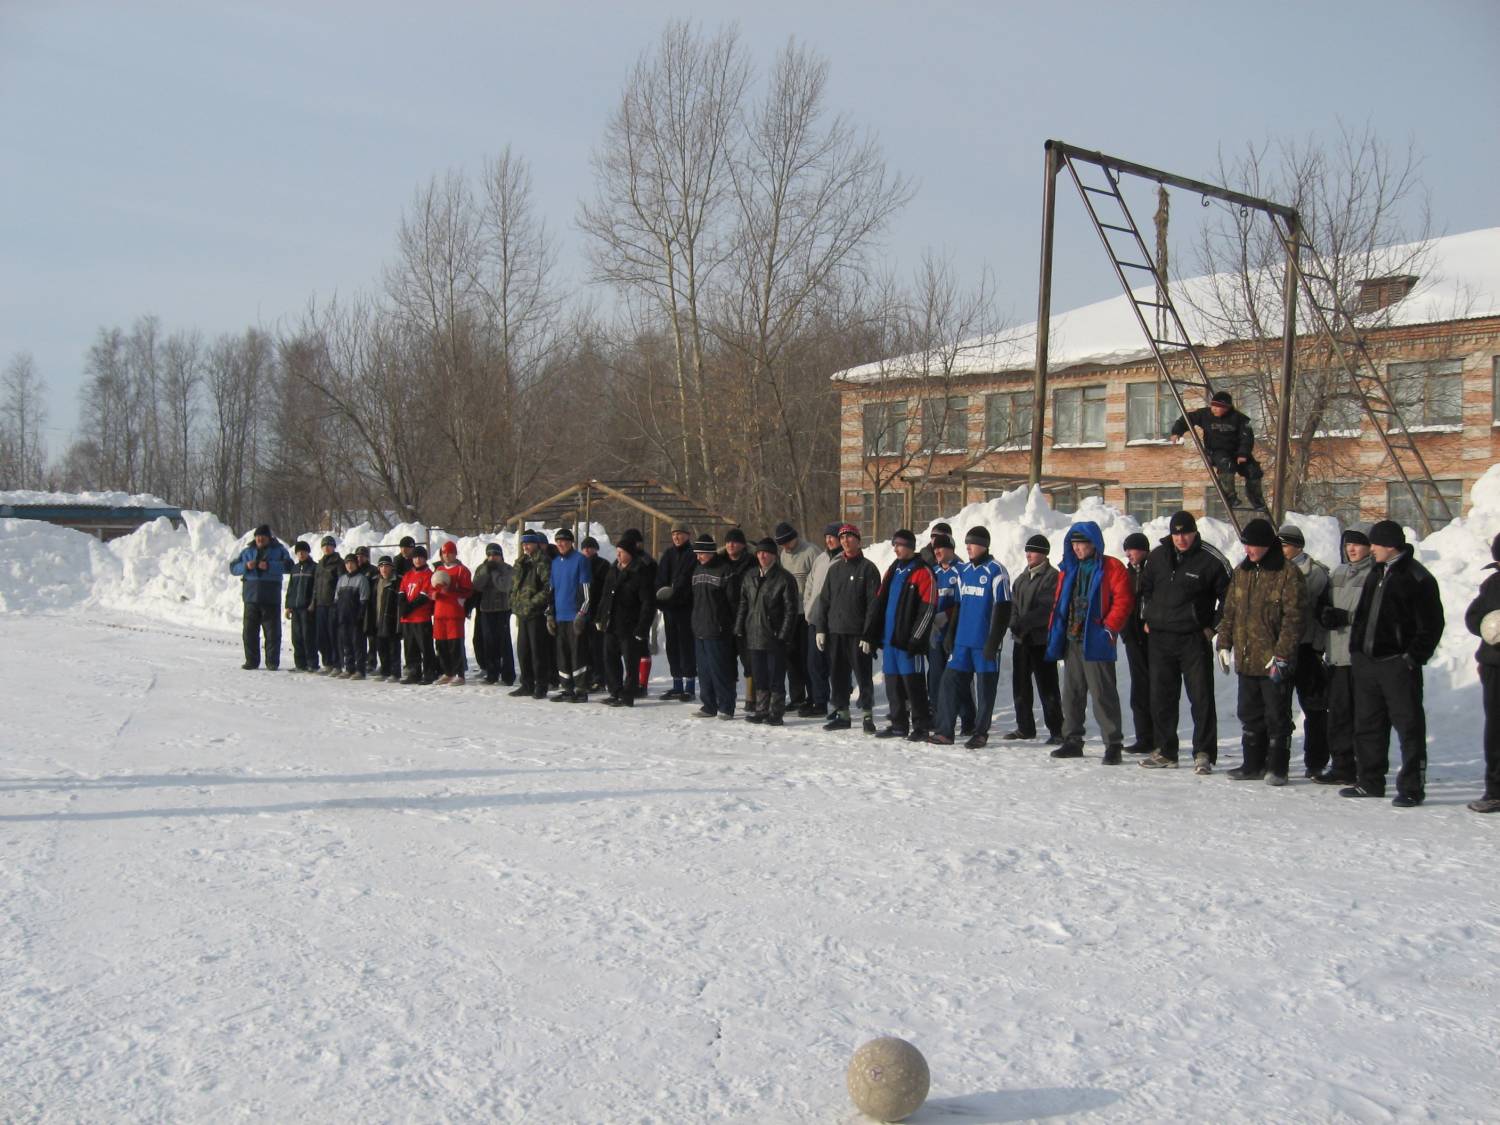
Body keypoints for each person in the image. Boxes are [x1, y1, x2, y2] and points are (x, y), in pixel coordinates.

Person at [1343, 519, 1445, 807]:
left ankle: (1412, 787)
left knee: (1409, 726)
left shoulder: (1418, 577)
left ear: (1390, 545)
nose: (1370, 548)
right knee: (1368, 725)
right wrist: (1356, 650)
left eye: (1375, 543)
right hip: (1367, 662)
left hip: (1397, 665)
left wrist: (1412, 658)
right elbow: (1363, 615)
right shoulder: (1376, 572)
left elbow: (1432, 625)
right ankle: (1370, 781)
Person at [1139, 510, 1231, 775]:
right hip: (1160, 638)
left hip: (1192, 639)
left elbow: (1230, 597)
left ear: (1194, 532)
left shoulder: (1210, 559)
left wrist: (1212, 627)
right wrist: (1146, 616)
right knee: (1161, 698)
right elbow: (1145, 588)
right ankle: (1166, 751)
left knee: (1200, 697)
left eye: (1186, 533)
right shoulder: (1158, 556)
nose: (1181, 538)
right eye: (1177, 533)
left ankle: (1203, 753)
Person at [1216, 518, 1306, 785]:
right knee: (1249, 713)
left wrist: (1282, 654)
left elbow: (1294, 618)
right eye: (1246, 545)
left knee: (1277, 714)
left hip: (1273, 660)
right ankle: (1252, 764)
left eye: (1254, 545)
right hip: (1247, 658)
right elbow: (1229, 612)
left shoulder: (1288, 574)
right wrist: (1224, 643)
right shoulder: (1241, 573)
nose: (1249, 550)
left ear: (1268, 545)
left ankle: (1278, 767)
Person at [1045, 522, 1132, 764]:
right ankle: (1072, 739)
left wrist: (1108, 628)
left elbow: (1123, 600)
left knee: (1103, 693)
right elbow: (1060, 600)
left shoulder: (1111, 567)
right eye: (1073, 544)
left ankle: (1113, 743)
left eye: (1081, 544)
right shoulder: (1069, 568)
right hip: (1072, 638)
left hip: (1096, 639)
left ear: (1093, 544)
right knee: (1072, 693)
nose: (1077, 548)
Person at [929, 525, 1012, 749]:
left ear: (984, 545)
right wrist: (951, 636)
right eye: (966, 543)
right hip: (962, 643)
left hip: (983, 643)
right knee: (949, 683)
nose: (968, 547)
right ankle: (945, 731)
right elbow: (958, 605)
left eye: (972, 543)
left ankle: (980, 732)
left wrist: (993, 642)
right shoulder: (964, 572)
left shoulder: (996, 571)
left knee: (985, 690)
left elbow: (1004, 609)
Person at [1313, 529, 1374, 785]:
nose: (1352, 549)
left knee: (1362, 715)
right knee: (1338, 713)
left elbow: (1374, 614)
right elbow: (1323, 602)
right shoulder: (1337, 573)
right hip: (1336, 656)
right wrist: (1324, 613)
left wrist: (1347, 618)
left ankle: (1366, 766)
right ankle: (1341, 766)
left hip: (1360, 656)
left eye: (1358, 544)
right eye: (1348, 544)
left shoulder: (1375, 574)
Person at [811, 524, 881, 734]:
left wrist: (869, 634)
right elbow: (824, 601)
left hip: (858, 634)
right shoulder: (835, 569)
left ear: (858, 540)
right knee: (837, 675)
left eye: (850, 538)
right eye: (842, 538)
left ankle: (867, 714)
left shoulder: (868, 569)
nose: (845, 541)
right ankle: (842, 714)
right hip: (836, 631)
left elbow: (873, 605)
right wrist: (821, 628)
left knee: (863, 675)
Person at [870, 529, 938, 741]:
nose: (896, 549)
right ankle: (898, 723)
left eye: (900, 545)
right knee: (893, 685)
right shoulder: (894, 569)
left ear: (910, 546)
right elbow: (880, 601)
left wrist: (916, 638)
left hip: (909, 642)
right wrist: (873, 632)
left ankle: (921, 726)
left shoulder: (923, 571)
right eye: (894, 545)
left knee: (913, 685)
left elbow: (928, 608)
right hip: (891, 640)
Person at [1279, 523, 1331, 777]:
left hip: (1307, 648)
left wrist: (1319, 648)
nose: (1280, 549)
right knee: (1278, 707)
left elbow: (1319, 613)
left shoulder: (1316, 573)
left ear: (1298, 547)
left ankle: (1316, 761)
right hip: (1281, 649)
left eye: (1285, 545)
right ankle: (1278, 760)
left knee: (1314, 707)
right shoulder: (1274, 570)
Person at [1004, 533, 1062, 746]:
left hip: (1040, 640)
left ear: (1044, 554)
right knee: (1020, 685)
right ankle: (1025, 726)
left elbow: (1046, 608)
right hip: (1022, 640)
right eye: (1027, 550)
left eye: (1033, 550)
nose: (1028, 554)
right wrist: (1014, 622)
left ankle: (1057, 729)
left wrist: (1024, 622)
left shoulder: (1051, 577)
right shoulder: (1021, 578)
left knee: (1047, 686)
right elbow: (1013, 605)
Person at [1171, 389, 1267, 512]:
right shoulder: (1205, 415)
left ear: (1227, 408)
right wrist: (1176, 432)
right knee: (1227, 465)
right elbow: (1186, 419)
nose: (1214, 409)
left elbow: (1247, 438)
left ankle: (1256, 499)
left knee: (1254, 470)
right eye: (1213, 406)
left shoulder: (1240, 419)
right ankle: (1230, 497)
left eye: (1218, 407)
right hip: (1216, 451)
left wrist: (1243, 454)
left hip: (1237, 453)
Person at [737, 537, 799, 725]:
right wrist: (740, 626)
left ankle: (776, 712)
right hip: (754, 635)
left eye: (766, 552)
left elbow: (791, 610)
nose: (762, 556)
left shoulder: (784, 578)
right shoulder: (750, 576)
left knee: (775, 677)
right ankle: (761, 710)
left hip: (774, 637)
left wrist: (783, 635)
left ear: (774, 555)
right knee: (759, 676)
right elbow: (743, 603)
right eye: (759, 552)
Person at [597, 530, 656, 706]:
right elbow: (605, 596)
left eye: (621, 552)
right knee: (610, 658)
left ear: (629, 554)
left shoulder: (640, 572)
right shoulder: (613, 569)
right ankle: (615, 691)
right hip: (611, 623)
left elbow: (648, 603)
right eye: (617, 552)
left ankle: (628, 694)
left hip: (630, 625)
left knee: (631, 662)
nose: (618, 555)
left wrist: (642, 627)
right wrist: (600, 617)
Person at [1464, 532, 1500, 814]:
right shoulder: (1492, 584)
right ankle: (1495, 790)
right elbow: (1472, 618)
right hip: (1495, 666)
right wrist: (1489, 627)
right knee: (1497, 728)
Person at [689, 533, 740, 719]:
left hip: (718, 630)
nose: (698, 557)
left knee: (721, 670)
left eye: (701, 553)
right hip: (700, 628)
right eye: (697, 553)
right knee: (704, 671)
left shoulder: (725, 570)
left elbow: (733, 602)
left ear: (710, 552)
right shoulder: (696, 570)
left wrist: (729, 625)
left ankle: (726, 706)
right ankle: (708, 705)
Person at [230, 523, 293, 670]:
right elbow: (233, 568)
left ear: (269, 538)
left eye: (263, 537)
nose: (260, 539)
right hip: (251, 597)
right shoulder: (247, 551)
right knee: (249, 632)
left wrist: (270, 566)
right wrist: (246, 566)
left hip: (270, 597)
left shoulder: (279, 550)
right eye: (258, 537)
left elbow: (289, 566)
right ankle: (251, 661)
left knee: (272, 633)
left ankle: (272, 662)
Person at [926, 532, 970, 737]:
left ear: (951, 550)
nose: (937, 551)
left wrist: (949, 615)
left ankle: (968, 717)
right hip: (935, 634)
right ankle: (938, 716)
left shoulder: (961, 571)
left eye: (941, 548)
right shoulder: (933, 572)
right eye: (935, 549)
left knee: (955, 678)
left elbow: (964, 603)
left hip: (955, 634)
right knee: (935, 677)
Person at [776, 521, 822, 712]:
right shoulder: (783, 555)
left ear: (795, 537)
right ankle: (796, 696)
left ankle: (813, 696)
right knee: (791, 658)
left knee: (808, 658)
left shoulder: (811, 551)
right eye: (782, 544)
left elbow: (818, 581)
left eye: (788, 542)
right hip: (790, 613)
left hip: (807, 614)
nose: (786, 547)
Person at [799, 523, 843, 717]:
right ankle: (819, 701)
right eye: (826, 537)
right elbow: (809, 584)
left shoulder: (845, 560)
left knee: (835, 665)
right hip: (816, 620)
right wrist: (808, 607)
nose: (829, 540)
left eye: (832, 537)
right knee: (814, 663)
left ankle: (840, 704)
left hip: (835, 622)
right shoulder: (821, 559)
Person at [654, 525, 698, 700]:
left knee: (687, 646)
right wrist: (661, 597)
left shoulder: (693, 555)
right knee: (672, 646)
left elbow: (689, 582)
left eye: (679, 534)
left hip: (685, 609)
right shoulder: (668, 555)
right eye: (673, 534)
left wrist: (677, 594)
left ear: (687, 535)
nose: (676, 537)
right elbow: (660, 578)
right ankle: (677, 684)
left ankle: (690, 686)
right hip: (669, 608)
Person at [548, 528, 592, 701]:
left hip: (575, 617)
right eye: (558, 541)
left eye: (564, 541)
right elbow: (551, 591)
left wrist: (582, 614)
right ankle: (567, 688)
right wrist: (549, 614)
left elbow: (587, 591)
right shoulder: (555, 562)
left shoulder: (580, 560)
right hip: (560, 617)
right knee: (562, 654)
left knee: (577, 654)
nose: (561, 544)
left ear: (571, 542)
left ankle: (581, 689)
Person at [1118, 532, 1152, 753]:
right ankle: (1143, 737)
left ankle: (1160, 737)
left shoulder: (1154, 571)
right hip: (1133, 638)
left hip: (1153, 638)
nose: (1128, 554)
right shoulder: (1126, 575)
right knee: (1139, 691)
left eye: (1132, 549)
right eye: (1126, 551)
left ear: (1144, 549)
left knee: (1156, 689)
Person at [511, 531, 553, 699]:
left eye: (528, 543)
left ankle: (541, 685)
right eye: (523, 544)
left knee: (538, 651)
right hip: (522, 612)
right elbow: (514, 585)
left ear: (536, 544)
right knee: (523, 650)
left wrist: (533, 602)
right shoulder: (521, 562)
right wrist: (513, 601)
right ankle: (526, 683)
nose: (526, 547)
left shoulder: (542, 561)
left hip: (536, 613)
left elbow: (548, 587)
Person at [470, 543, 515, 686]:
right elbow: (476, 585)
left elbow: (505, 586)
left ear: (501, 556)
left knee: (504, 643)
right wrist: (486, 571)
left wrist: (494, 572)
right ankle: (492, 674)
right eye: (489, 555)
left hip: (502, 609)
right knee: (488, 643)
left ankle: (508, 675)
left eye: (495, 555)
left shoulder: (508, 569)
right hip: (486, 610)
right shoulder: (481, 568)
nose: (492, 558)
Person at [431, 541, 473, 685]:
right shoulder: (438, 570)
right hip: (439, 613)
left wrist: (451, 591)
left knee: (455, 645)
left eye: (449, 552)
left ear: (455, 553)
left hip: (454, 613)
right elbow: (431, 588)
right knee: (441, 645)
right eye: (444, 553)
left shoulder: (462, 570)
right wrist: (435, 593)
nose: (447, 555)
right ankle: (447, 672)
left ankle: (460, 674)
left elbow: (468, 591)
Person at [397, 544, 438, 684]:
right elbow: (402, 591)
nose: (418, 560)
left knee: (425, 647)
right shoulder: (408, 574)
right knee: (410, 648)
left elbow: (425, 595)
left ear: (425, 559)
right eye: (415, 557)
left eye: (421, 557)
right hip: (407, 619)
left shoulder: (428, 575)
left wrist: (409, 607)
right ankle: (414, 673)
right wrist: (402, 605)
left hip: (421, 617)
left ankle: (429, 673)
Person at [578, 536, 612, 692]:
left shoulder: (603, 565)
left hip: (597, 611)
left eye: (590, 547)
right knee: (583, 647)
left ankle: (600, 678)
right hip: (582, 611)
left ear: (596, 549)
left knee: (597, 647)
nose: (587, 550)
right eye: (585, 547)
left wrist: (603, 612)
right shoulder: (579, 563)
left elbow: (607, 590)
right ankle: (587, 676)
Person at [334, 551, 372, 679]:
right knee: (346, 643)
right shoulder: (342, 579)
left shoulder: (361, 579)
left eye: (352, 563)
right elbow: (336, 598)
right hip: (343, 616)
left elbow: (364, 598)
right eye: (347, 563)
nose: (349, 566)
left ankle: (360, 670)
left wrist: (361, 614)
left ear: (356, 564)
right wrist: (337, 614)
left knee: (358, 644)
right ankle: (349, 668)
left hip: (355, 617)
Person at [283, 539, 318, 672]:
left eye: (303, 552)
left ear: (308, 552)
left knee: (308, 636)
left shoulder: (314, 567)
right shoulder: (295, 568)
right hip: (295, 608)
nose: (301, 554)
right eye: (298, 552)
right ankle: (300, 664)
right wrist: (288, 606)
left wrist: (312, 603)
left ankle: (312, 664)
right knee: (296, 637)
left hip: (307, 608)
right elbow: (291, 588)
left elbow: (315, 588)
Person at [312, 535, 344, 674]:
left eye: (329, 545)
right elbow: (315, 584)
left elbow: (341, 583)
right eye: (324, 546)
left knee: (333, 635)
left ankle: (337, 664)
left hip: (332, 604)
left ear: (333, 547)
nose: (326, 548)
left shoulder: (339, 563)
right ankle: (327, 662)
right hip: (320, 604)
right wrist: (313, 602)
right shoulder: (319, 564)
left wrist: (338, 602)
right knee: (321, 635)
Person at [372, 555, 402, 681]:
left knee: (393, 647)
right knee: (381, 647)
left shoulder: (397, 582)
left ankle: (395, 673)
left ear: (391, 568)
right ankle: (385, 671)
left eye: (387, 566)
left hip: (391, 619)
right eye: (382, 566)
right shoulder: (376, 581)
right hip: (379, 618)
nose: (384, 569)